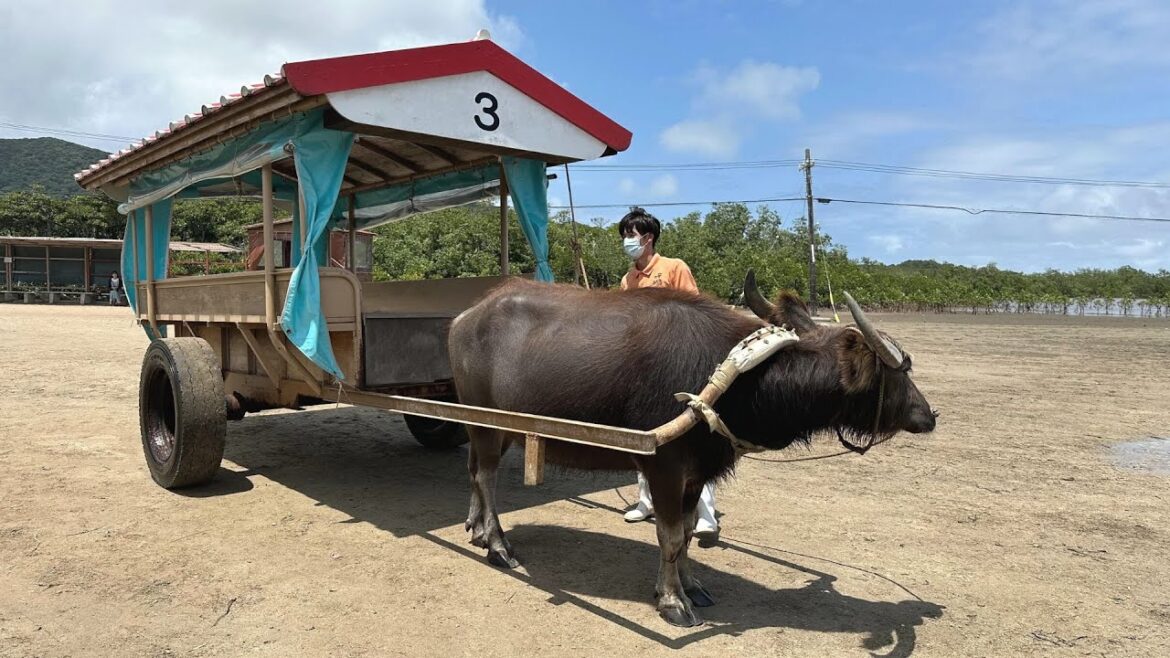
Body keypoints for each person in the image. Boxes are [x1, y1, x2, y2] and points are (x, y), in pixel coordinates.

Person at [616, 207, 719, 541]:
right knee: (645, 439)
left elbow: (695, 314)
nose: (626, 241)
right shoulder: (628, 280)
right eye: (624, 235)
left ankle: (706, 514)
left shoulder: (674, 268)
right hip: (642, 369)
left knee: (688, 443)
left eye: (631, 235)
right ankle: (646, 501)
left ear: (648, 238)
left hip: (677, 366)